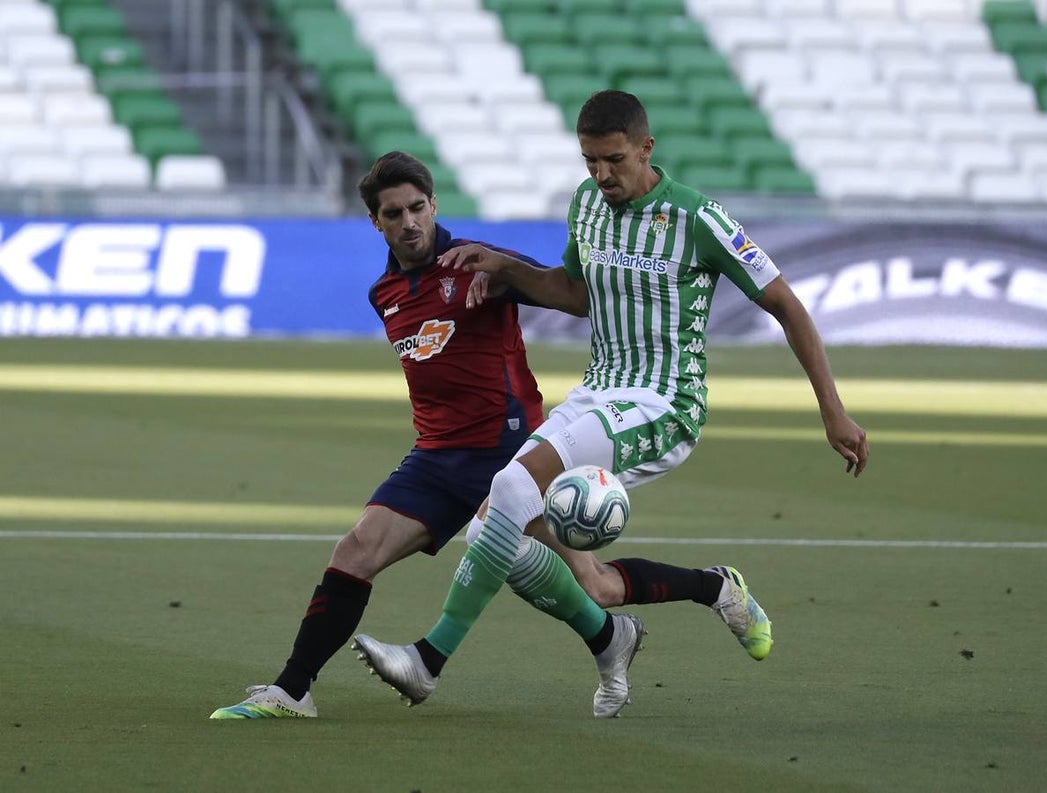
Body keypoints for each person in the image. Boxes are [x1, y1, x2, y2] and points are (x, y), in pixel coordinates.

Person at [352, 91, 870, 719]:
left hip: (664, 402)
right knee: (495, 529)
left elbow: (786, 305)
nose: (602, 176)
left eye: (614, 161)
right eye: (590, 162)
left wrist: (832, 411)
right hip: (600, 390)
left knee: (513, 487)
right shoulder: (586, 205)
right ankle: (679, 607)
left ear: (646, 149)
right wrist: (506, 267)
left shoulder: (696, 218)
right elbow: (572, 293)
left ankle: (427, 663)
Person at [210, 150, 777, 721]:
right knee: (356, 550)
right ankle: (292, 690)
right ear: (375, 223)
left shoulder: (480, 263)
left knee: (595, 583)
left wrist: (506, 274)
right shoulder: (383, 295)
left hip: (509, 449)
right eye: (393, 214)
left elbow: (572, 297)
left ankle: (711, 589)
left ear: (433, 206)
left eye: (416, 208)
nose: (408, 222)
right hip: (434, 457)